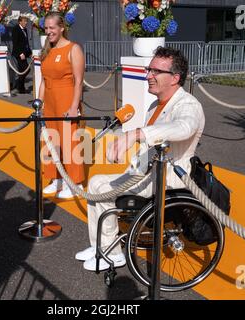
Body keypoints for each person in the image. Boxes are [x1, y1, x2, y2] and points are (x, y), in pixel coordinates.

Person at [76, 47, 206, 271]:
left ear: (175, 78)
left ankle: (112, 254)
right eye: (149, 70)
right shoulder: (156, 105)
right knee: (96, 180)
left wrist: (134, 134)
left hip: (167, 180)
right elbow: (152, 141)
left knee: (99, 187)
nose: (148, 76)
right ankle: (101, 245)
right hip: (146, 171)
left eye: (156, 71)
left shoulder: (188, 105)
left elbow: (183, 127)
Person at [39, 12, 85, 199]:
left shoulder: (73, 49)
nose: (49, 32)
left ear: (61, 28)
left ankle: (74, 182)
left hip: (66, 98)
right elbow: (43, 81)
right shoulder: (47, 50)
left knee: (69, 141)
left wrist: (74, 106)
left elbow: (79, 81)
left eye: (52, 28)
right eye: (46, 28)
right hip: (49, 101)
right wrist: (38, 104)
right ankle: (55, 178)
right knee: (50, 141)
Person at [11, 16, 32, 94]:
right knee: (25, 69)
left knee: (22, 70)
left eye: (26, 21)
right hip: (19, 53)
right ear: (20, 22)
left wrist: (29, 53)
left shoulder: (25, 29)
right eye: (24, 21)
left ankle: (21, 88)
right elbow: (15, 43)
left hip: (25, 53)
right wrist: (20, 53)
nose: (26, 23)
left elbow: (26, 43)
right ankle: (20, 87)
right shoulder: (15, 29)